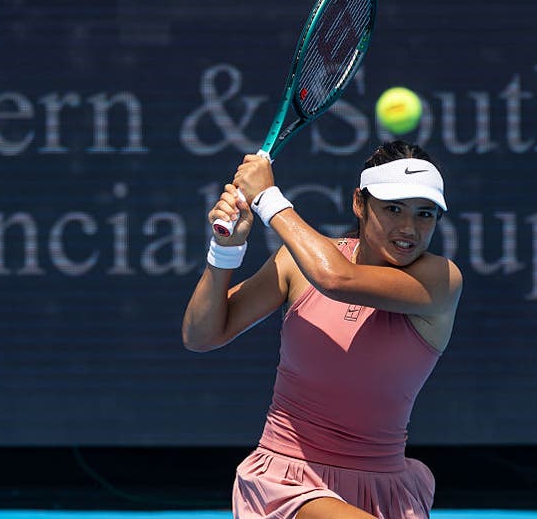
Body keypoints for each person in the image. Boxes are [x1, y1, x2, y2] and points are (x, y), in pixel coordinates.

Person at [182, 140, 463, 519]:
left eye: (425, 214)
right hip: (287, 486)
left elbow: (335, 278)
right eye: (393, 208)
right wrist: (224, 250)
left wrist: (267, 197)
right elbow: (201, 335)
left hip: (386, 490)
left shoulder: (441, 280)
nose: (408, 228)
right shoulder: (296, 265)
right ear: (359, 204)